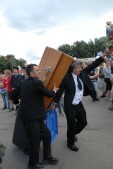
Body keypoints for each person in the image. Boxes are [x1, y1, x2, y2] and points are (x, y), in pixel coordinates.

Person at [54, 54, 106, 152]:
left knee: (83, 122)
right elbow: (60, 92)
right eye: (79, 67)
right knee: (71, 124)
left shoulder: (83, 73)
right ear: (73, 68)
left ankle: (72, 134)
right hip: (69, 105)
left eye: (82, 67)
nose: (81, 69)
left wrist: (103, 56)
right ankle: (70, 142)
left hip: (79, 104)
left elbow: (93, 65)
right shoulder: (66, 78)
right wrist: (54, 103)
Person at [12, 64, 59, 169]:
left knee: (46, 134)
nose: (39, 71)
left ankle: (47, 157)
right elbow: (48, 94)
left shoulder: (22, 82)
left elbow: (13, 94)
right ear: (31, 73)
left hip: (33, 116)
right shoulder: (37, 82)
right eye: (37, 70)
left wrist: (16, 103)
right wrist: (55, 90)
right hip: (31, 117)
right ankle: (32, 164)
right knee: (34, 140)